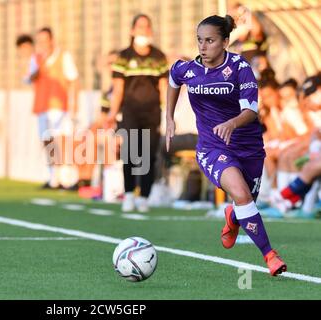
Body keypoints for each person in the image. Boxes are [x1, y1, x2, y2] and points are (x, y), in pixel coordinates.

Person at [166, 15, 287, 276]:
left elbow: (251, 112)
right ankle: (270, 256)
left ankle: (232, 217)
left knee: (246, 205)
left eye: (210, 40)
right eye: (199, 40)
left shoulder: (241, 68)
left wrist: (232, 124)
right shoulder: (188, 70)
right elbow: (173, 78)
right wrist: (169, 118)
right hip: (212, 148)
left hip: (249, 148)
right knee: (243, 195)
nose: (203, 46)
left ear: (225, 42)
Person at [106, 14, 169, 213]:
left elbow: (164, 87)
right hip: (130, 112)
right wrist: (112, 114)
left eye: (147, 27)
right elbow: (118, 89)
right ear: (132, 31)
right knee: (130, 153)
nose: (143, 30)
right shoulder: (124, 57)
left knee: (148, 155)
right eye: (139, 27)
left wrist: (168, 113)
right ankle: (130, 193)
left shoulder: (158, 57)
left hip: (152, 113)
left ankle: (144, 197)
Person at [28, 27, 79, 189]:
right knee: (47, 140)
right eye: (39, 41)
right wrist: (40, 64)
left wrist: (75, 104)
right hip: (42, 105)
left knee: (61, 140)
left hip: (60, 106)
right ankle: (53, 177)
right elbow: (30, 78)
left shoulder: (64, 56)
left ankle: (66, 178)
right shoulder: (36, 59)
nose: (42, 44)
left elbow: (74, 80)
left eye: (45, 40)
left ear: (51, 40)